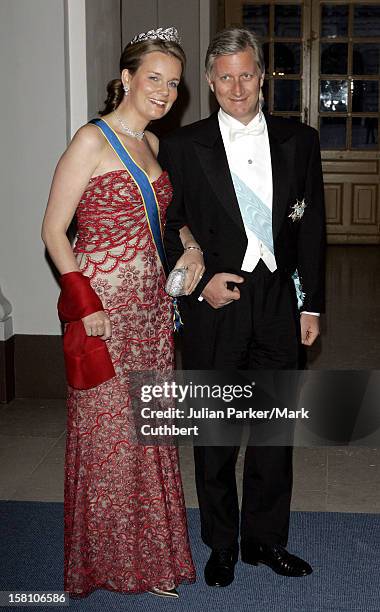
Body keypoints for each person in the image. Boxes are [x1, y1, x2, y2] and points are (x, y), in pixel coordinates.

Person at [159, 27, 325, 587]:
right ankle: (221, 544)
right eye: (224, 76)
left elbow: (314, 232)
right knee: (216, 436)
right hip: (216, 303)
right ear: (209, 81)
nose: (236, 86)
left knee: (274, 433)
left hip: (280, 303)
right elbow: (165, 224)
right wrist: (196, 281)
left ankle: (264, 540)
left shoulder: (299, 140)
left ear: (262, 76)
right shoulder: (181, 145)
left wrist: (313, 306)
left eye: (246, 74)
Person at [41, 27, 203, 598]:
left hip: (152, 309)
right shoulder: (91, 139)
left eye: (174, 84)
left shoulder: (154, 147)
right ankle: (109, 563)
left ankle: (152, 557)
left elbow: (164, 217)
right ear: (127, 78)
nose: (163, 91)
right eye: (153, 78)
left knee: (150, 431)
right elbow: (54, 231)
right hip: (104, 311)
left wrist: (189, 243)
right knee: (109, 434)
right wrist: (85, 307)